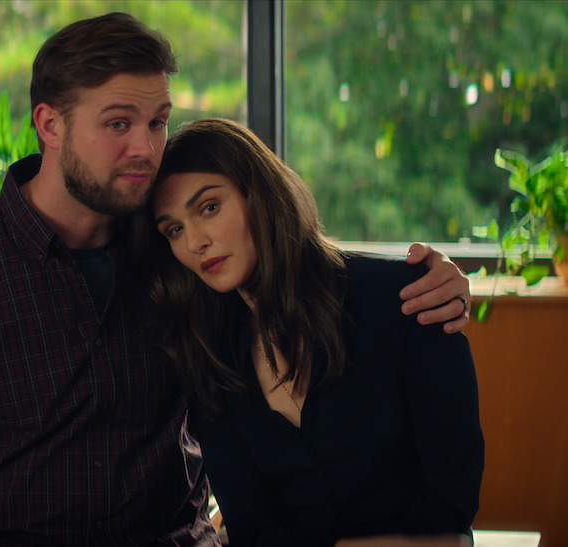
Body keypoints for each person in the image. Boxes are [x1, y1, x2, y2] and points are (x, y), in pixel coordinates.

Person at [0, 13, 472, 546]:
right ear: (50, 125)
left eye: (157, 122)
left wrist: (429, 280)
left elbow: (282, 260)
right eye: (118, 123)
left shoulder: (175, 250)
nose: (146, 148)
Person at [139, 118, 483, 547]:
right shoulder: (211, 356)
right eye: (174, 229)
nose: (194, 242)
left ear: (259, 193)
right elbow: (252, 527)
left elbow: (450, 503)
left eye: (209, 207)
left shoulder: (408, 299)